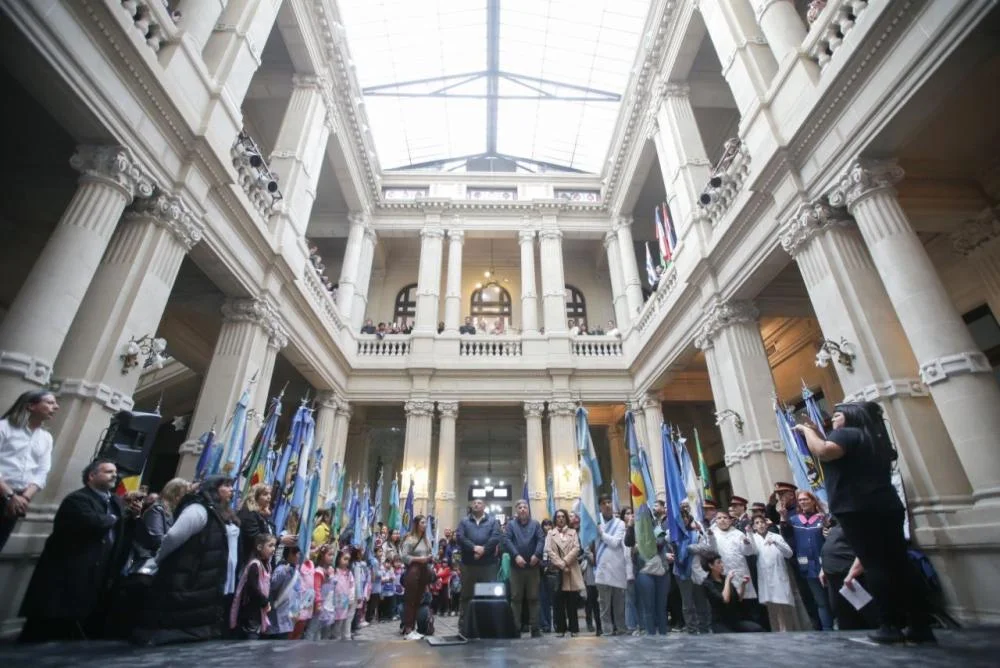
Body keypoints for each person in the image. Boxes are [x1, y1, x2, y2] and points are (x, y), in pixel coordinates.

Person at [794, 401, 935, 644]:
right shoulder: (875, 439)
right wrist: (816, 432)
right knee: (900, 565)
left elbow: (824, 451)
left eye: (837, 415)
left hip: (858, 508)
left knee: (875, 565)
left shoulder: (847, 433)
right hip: (887, 506)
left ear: (850, 417)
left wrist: (805, 431)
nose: (833, 421)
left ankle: (889, 625)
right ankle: (920, 624)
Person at [19, 458, 134, 642]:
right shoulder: (77, 499)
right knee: (46, 633)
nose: (115, 475)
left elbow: (121, 528)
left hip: (96, 575)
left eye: (115, 472)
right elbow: (94, 522)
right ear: (92, 475)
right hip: (66, 575)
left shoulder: (115, 501)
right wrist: (114, 517)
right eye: (108, 472)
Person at [132, 475, 237, 645]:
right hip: (187, 576)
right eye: (226, 485)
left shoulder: (216, 511)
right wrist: (159, 559)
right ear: (213, 488)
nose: (231, 489)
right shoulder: (198, 509)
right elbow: (173, 537)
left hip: (202, 579)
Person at [0, 390, 58, 553]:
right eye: (50, 402)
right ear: (30, 406)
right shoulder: (4, 427)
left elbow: (42, 471)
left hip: (18, 500)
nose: (56, 407)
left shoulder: (46, 438)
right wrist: (10, 495)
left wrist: (24, 497)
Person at [780, 489, 832, 630]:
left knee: (832, 599)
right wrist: (783, 519)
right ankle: (826, 629)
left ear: (813, 501)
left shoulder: (823, 519)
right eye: (800, 500)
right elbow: (788, 539)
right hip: (806, 566)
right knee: (819, 600)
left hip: (825, 564)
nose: (803, 502)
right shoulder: (795, 520)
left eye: (806, 499)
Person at [819, 515, 877, 630]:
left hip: (852, 579)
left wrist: (852, 574)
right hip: (834, 579)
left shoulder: (856, 523)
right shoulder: (837, 524)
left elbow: (865, 549)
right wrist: (823, 569)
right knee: (845, 620)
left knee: (869, 617)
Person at [456, 498, 502, 637]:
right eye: (474, 503)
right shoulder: (464, 521)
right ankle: (464, 627)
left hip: (488, 565)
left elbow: (496, 537)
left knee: (488, 595)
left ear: (484, 506)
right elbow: (460, 537)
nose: (476, 504)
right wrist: (474, 548)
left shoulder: (493, 521)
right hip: (469, 565)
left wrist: (483, 550)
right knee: (466, 596)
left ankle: (487, 626)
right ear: (471, 506)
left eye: (479, 503)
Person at [503, 499, 545, 637]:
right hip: (516, 568)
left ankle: (535, 628)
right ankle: (515, 628)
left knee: (534, 598)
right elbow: (507, 540)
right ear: (516, 510)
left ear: (528, 509)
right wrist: (515, 556)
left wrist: (537, 555)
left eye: (524, 507)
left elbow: (541, 539)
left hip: (533, 567)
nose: (522, 509)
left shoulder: (536, 524)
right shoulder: (511, 525)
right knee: (515, 598)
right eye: (519, 507)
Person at [748, 515, 798, 631]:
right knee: (772, 607)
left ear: (766, 524)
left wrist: (776, 542)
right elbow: (752, 551)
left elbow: (789, 553)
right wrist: (749, 534)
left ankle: (788, 631)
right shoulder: (754, 538)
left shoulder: (776, 537)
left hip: (779, 576)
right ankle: (776, 632)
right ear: (754, 526)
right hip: (765, 577)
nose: (760, 525)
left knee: (784, 606)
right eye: (757, 523)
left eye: (762, 522)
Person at [701, 552, 764, 633]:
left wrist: (743, 584)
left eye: (722, 562)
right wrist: (728, 580)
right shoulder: (708, 583)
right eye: (719, 562)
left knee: (757, 628)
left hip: (734, 620)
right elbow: (725, 599)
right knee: (731, 637)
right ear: (711, 565)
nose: (722, 565)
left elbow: (739, 598)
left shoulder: (725, 579)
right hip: (720, 622)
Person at [545, 508, 583, 637]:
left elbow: (577, 548)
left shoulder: (573, 532)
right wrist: (561, 565)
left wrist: (566, 562)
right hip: (558, 571)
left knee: (572, 602)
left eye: (563, 516)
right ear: (555, 519)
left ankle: (574, 629)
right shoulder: (551, 533)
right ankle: (561, 629)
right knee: (558, 602)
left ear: (566, 518)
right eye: (558, 516)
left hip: (571, 570)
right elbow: (549, 550)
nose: (560, 518)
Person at [230, 533, 275, 639]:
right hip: (252, 611)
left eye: (274, 546)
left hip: (260, 611)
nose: (273, 549)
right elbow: (252, 588)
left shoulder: (267, 565)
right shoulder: (254, 565)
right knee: (252, 640)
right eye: (270, 545)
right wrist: (264, 601)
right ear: (259, 547)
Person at [594, 494, 627, 636]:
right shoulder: (595, 523)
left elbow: (615, 543)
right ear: (600, 507)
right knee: (604, 605)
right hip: (602, 568)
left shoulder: (620, 523)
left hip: (617, 568)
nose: (607, 505)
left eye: (609, 502)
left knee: (619, 605)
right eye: (604, 503)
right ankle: (607, 631)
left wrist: (601, 534)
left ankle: (621, 629)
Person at [400, 515, 435, 639]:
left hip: (424, 572)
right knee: (410, 601)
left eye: (426, 523)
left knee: (418, 601)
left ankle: (413, 628)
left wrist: (430, 557)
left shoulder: (426, 540)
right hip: (413, 572)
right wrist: (420, 559)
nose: (425, 525)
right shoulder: (410, 539)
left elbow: (429, 554)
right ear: (416, 524)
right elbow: (404, 556)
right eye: (422, 522)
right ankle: (408, 629)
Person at [266, 544, 300, 638]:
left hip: (289, 616)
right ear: (290, 554)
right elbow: (272, 586)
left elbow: (297, 593)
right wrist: (284, 572)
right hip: (278, 615)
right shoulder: (281, 569)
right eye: (297, 554)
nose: (299, 556)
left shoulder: (296, 571)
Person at [325, 549, 355, 641]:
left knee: (341, 622)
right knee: (331, 623)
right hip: (333, 603)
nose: (346, 562)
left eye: (348, 560)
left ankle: (339, 640)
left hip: (344, 603)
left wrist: (351, 598)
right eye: (344, 559)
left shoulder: (349, 573)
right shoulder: (333, 571)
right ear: (338, 559)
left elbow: (352, 586)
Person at [537, 517, 554, 632]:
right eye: (545, 525)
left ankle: (554, 624)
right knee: (543, 600)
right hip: (541, 572)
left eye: (549, 525)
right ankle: (545, 624)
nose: (547, 527)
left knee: (552, 601)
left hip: (553, 571)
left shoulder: (555, 538)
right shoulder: (540, 539)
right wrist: (543, 565)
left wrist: (550, 564)